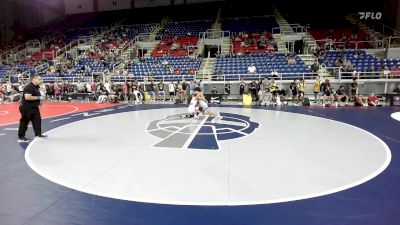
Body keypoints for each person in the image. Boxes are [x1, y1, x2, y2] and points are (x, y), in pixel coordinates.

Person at [17, 74, 47, 142]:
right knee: (25, 122)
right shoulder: (29, 87)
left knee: (37, 120)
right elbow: (27, 97)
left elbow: (35, 96)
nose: (40, 81)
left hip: (34, 107)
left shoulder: (35, 87)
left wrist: (39, 101)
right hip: (26, 107)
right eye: (39, 79)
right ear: (34, 79)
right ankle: (21, 137)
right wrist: (39, 97)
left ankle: (38, 135)